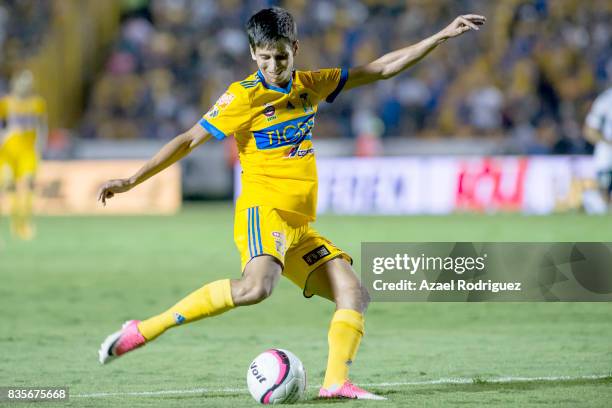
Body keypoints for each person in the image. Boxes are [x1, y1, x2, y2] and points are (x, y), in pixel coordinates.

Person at [97, 8, 485, 399]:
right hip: (263, 211)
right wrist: (132, 180)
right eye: (264, 57)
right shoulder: (242, 96)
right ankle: (146, 329)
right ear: (253, 54)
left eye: (280, 56)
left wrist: (440, 36)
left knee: (354, 293)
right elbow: (187, 140)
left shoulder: (312, 85)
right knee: (256, 289)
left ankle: (335, 382)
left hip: (298, 225)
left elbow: (381, 68)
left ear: (295, 49)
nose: (273, 65)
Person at [0, 70, 47, 240]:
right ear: (15, 83)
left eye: (29, 82)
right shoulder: (6, 103)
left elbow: (42, 126)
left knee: (27, 184)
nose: (26, 85)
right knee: (10, 187)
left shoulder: (37, 103)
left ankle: (26, 223)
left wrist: (41, 146)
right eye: (23, 81)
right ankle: (15, 224)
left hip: (28, 151)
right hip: (7, 152)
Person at [583, 87, 612, 213]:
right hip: (608, 153)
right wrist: (607, 142)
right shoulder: (605, 100)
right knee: (604, 187)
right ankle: (599, 203)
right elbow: (589, 130)